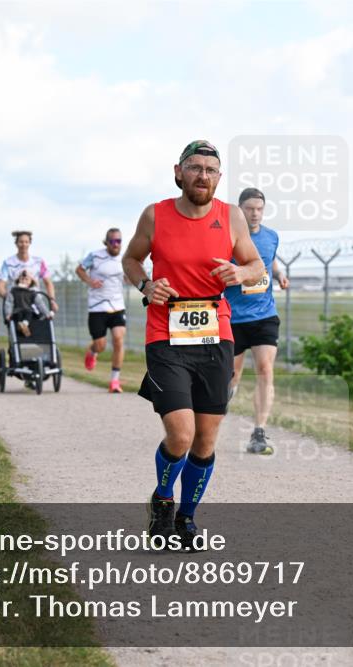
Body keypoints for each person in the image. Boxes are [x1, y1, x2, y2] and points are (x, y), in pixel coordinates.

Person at [123, 140, 264, 549]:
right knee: (181, 434)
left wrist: (242, 272)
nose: (203, 175)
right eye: (195, 167)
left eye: (210, 170)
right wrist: (147, 285)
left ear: (219, 178)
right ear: (178, 172)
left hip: (215, 333)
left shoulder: (231, 216)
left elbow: (256, 265)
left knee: (205, 439)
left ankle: (186, 518)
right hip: (165, 333)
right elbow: (131, 260)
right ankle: (163, 500)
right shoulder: (156, 215)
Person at [225, 188, 289, 455]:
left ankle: (259, 432)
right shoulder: (227, 236)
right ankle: (221, 402)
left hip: (264, 315)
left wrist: (279, 275)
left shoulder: (272, 236)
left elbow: (269, 261)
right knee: (232, 375)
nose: (255, 213)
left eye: (259, 209)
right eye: (250, 208)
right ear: (240, 210)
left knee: (265, 369)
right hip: (233, 317)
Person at [77, 227, 127, 392]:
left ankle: (114, 382)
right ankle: (92, 351)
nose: (115, 244)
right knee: (101, 345)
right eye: (112, 241)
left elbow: (129, 276)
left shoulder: (125, 258)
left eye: (118, 241)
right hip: (97, 307)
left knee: (119, 339)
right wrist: (90, 281)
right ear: (106, 242)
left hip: (117, 306)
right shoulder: (95, 255)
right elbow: (79, 270)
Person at [0, 231, 57, 316]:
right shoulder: (8, 263)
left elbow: (48, 283)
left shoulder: (38, 262)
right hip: (16, 308)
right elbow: (0, 286)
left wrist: (52, 300)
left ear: (29, 243)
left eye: (26, 242)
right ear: (16, 243)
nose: (24, 244)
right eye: (21, 242)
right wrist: (9, 298)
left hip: (36, 305)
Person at [3, 270, 51, 338]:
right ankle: (21, 327)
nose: (24, 281)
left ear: (30, 282)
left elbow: (40, 304)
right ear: (18, 280)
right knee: (18, 314)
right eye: (22, 279)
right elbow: (9, 303)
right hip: (17, 311)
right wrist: (8, 314)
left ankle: (24, 325)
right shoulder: (13, 291)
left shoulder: (32, 293)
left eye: (26, 279)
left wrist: (47, 314)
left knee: (29, 312)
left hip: (28, 312)